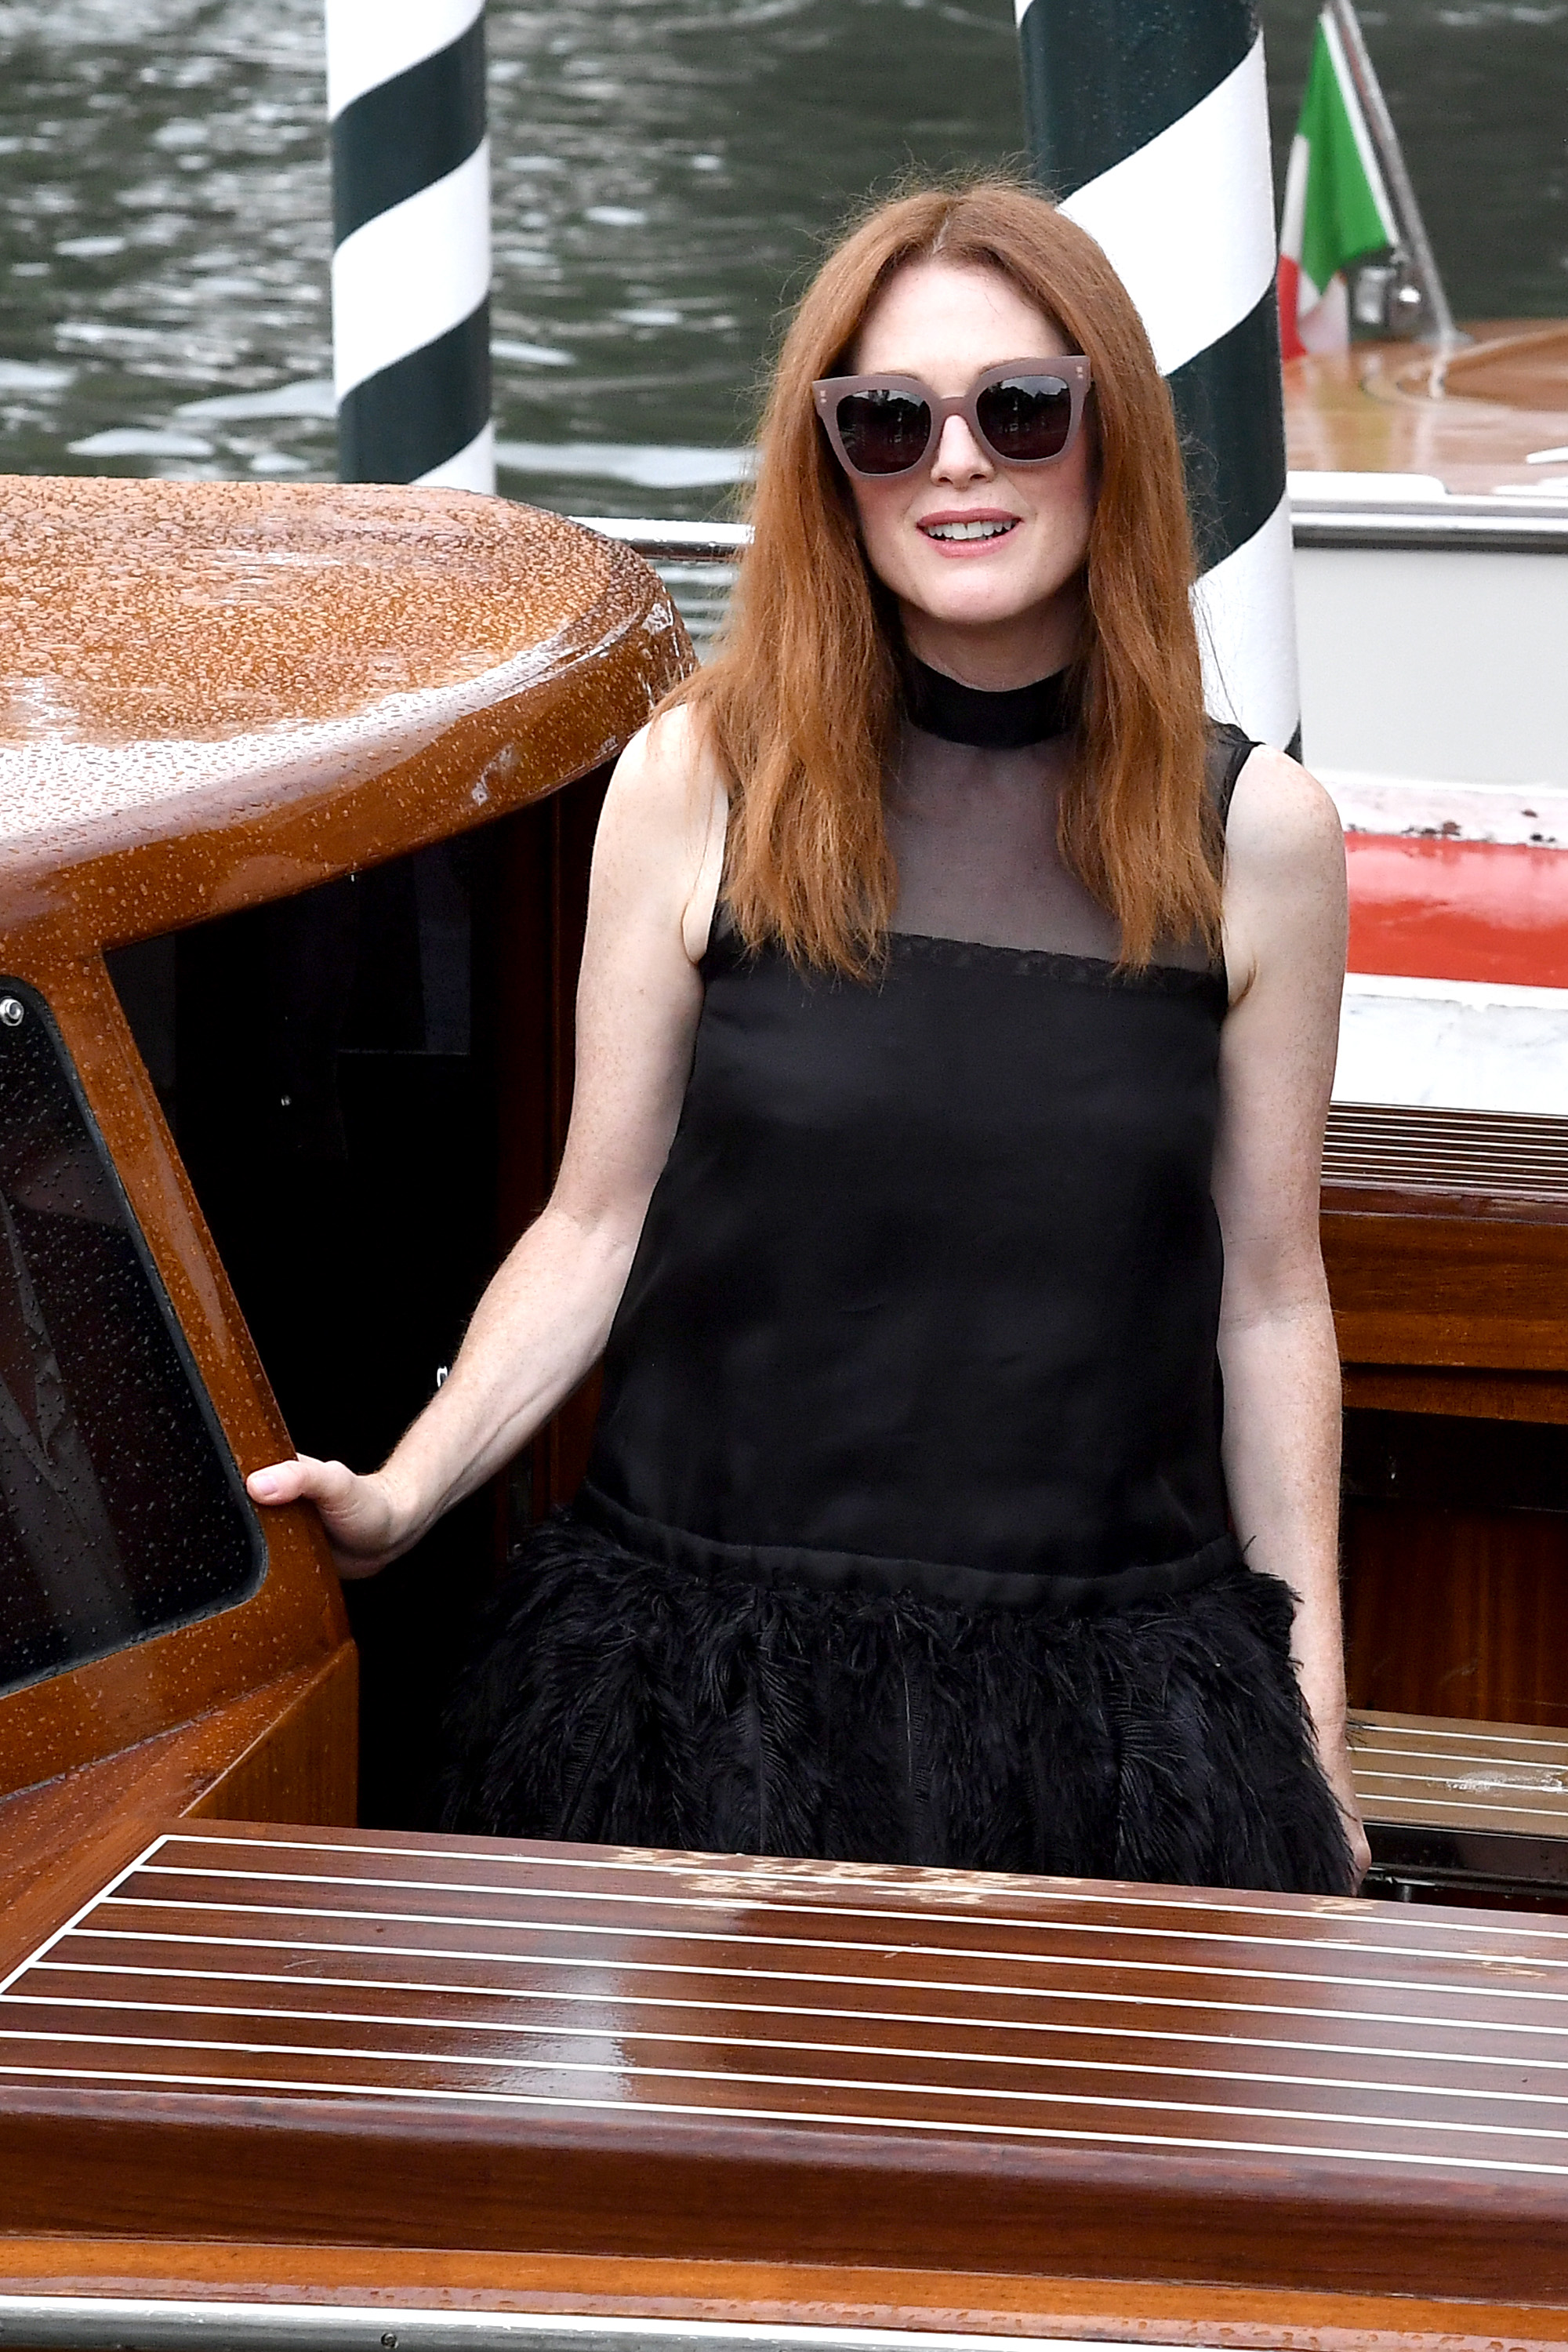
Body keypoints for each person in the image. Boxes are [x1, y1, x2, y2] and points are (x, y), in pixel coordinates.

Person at [249, 180, 1368, 1895]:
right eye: (887, 420)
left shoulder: (1257, 834)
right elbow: (592, 1222)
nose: (957, 462)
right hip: (694, 1681)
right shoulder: (700, 780)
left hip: (1113, 1705)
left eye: (1019, 407)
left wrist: (1317, 1714)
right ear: (829, 462)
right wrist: (404, 1496)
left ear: (1108, 435)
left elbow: (1270, 1298)